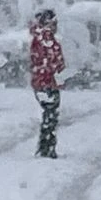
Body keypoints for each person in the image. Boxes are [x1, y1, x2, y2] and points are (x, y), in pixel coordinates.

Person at [29, 9, 65, 159]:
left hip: (44, 82)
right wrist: (54, 72)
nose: (56, 25)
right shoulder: (45, 40)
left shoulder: (42, 38)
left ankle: (46, 146)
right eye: (54, 22)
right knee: (51, 114)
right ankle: (47, 147)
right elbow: (48, 60)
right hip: (46, 82)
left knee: (49, 115)